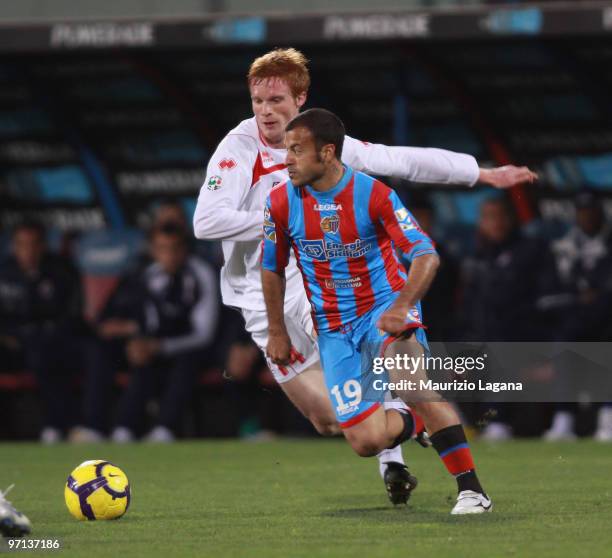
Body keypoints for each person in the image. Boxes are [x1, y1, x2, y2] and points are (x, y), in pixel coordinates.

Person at [193, 48, 536, 503]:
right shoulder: (239, 149)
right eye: (257, 101)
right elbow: (206, 222)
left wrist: (482, 173)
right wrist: (285, 217)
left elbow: (399, 160)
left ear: (300, 98)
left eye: (276, 100)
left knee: (389, 375)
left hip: (312, 286)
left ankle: (411, 453)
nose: (265, 111)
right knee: (326, 419)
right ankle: (405, 426)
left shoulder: (322, 144)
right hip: (258, 298)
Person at [262, 109, 492, 514]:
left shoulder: (374, 195)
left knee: (410, 380)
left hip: (384, 309)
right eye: (286, 150)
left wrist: (403, 305)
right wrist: (276, 330)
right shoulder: (280, 203)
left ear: (328, 152)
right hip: (334, 329)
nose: (287, 160)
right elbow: (271, 267)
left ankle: (472, 491)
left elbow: (425, 255)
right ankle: (415, 423)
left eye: (297, 150)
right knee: (367, 442)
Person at [78, 223, 219, 443]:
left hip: (187, 346)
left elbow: (203, 334)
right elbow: (130, 319)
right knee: (103, 350)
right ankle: (105, 428)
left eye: (174, 248)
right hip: (150, 345)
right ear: (153, 250)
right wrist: (136, 336)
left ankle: (163, 430)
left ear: (184, 250)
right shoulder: (144, 274)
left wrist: (157, 346)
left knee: (185, 360)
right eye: (162, 248)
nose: (169, 255)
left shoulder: (201, 273)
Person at [0, 221, 86, 444]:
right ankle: (61, 424)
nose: (28, 251)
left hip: (52, 343)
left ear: (43, 246)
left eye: (33, 244)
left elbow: (72, 314)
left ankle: (58, 426)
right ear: (14, 246)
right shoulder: (4, 273)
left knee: (47, 354)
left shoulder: (60, 270)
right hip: (10, 346)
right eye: (22, 245)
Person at [539, 191, 612, 441]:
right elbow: (549, 296)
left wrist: (599, 296)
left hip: (606, 323)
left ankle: (608, 418)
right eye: (582, 211)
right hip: (573, 324)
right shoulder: (563, 246)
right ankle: (563, 419)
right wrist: (580, 299)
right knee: (563, 346)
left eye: (592, 211)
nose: (587, 216)